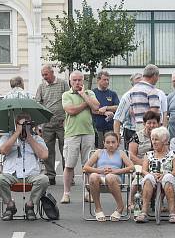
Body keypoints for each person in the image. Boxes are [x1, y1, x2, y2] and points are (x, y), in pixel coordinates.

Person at [0, 113, 50, 221]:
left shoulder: (36, 138)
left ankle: (30, 205)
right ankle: (10, 205)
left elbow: (44, 155)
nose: (25, 126)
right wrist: (17, 133)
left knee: (44, 179)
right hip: (11, 174)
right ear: (16, 124)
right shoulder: (7, 136)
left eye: (27, 124)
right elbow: (3, 151)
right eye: (22, 124)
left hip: (31, 174)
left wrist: (29, 137)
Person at [60, 71, 100, 204]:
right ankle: (66, 193)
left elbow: (96, 107)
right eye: (74, 80)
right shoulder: (66, 95)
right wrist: (86, 104)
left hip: (88, 132)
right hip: (72, 133)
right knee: (69, 165)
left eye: (80, 80)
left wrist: (83, 95)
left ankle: (87, 192)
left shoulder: (89, 93)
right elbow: (71, 111)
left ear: (83, 81)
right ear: (70, 81)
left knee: (87, 165)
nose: (77, 83)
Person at [83, 131, 133, 221]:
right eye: (108, 142)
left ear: (117, 143)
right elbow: (86, 167)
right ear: (104, 143)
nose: (111, 145)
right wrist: (100, 170)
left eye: (113, 142)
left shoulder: (121, 153)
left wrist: (116, 171)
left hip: (115, 179)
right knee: (93, 176)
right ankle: (98, 209)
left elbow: (131, 167)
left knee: (110, 176)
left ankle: (120, 207)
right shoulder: (99, 152)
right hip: (99, 179)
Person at [135, 127, 175, 224]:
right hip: (152, 178)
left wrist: (165, 175)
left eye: (156, 139)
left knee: (168, 178)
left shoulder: (173, 154)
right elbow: (143, 170)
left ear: (164, 141)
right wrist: (152, 175)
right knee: (148, 178)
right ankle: (144, 212)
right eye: (152, 139)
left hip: (168, 178)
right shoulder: (148, 154)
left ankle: (172, 213)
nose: (154, 142)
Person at [35, 65, 70, 185]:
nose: (45, 77)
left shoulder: (62, 84)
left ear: (52, 72)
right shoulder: (41, 86)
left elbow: (69, 99)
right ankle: (50, 175)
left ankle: (68, 176)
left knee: (65, 150)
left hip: (62, 122)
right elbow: (38, 103)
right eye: (43, 75)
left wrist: (66, 118)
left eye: (46, 74)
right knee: (48, 151)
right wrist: (39, 125)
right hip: (47, 124)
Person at [127, 110, 161, 210]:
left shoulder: (162, 135)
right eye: (149, 123)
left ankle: (159, 202)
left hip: (158, 163)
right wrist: (145, 164)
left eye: (154, 123)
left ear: (158, 124)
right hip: (140, 163)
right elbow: (131, 156)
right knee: (138, 174)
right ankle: (131, 202)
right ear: (144, 123)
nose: (151, 125)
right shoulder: (137, 136)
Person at [124, 64, 162, 132]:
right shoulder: (152, 90)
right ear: (154, 76)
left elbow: (131, 111)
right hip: (150, 126)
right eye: (158, 76)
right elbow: (154, 111)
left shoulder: (133, 90)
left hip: (138, 125)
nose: (158, 79)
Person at [113, 73, 143, 147]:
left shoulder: (149, 94)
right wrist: (116, 138)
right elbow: (117, 119)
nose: (140, 80)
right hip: (131, 131)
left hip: (146, 132)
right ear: (132, 83)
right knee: (130, 156)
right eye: (137, 78)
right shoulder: (127, 96)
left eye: (141, 78)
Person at [92, 70, 119, 148]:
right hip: (97, 128)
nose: (107, 82)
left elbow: (118, 107)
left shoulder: (112, 94)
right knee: (99, 151)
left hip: (110, 128)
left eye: (108, 80)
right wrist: (104, 113)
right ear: (98, 80)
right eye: (104, 80)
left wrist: (106, 108)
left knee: (111, 149)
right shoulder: (93, 93)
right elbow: (91, 109)